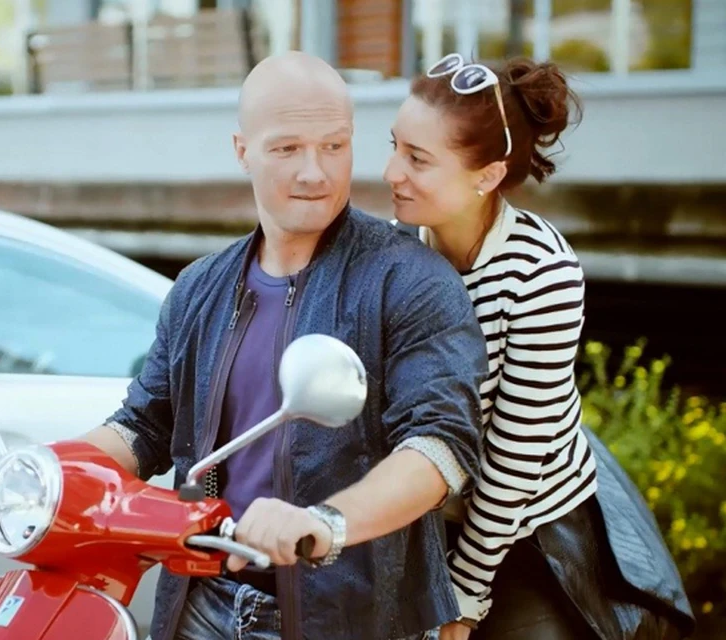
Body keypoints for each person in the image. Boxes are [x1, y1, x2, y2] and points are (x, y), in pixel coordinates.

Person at [81, 51, 490, 640]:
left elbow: (439, 446)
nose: (314, 173)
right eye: (287, 148)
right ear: (242, 150)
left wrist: (325, 523)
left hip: (352, 618)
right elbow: (142, 425)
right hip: (200, 601)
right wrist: (47, 469)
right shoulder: (199, 286)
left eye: (334, 146)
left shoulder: (410, 280)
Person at [384, 52, 696, 639]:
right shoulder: (396, 249)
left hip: (527, 529)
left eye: (417, 159)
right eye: (394, 146)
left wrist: (465, 594)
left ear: (486, 176)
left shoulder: (540, 274)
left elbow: (514, 458)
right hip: (423, 519)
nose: (391, 173)